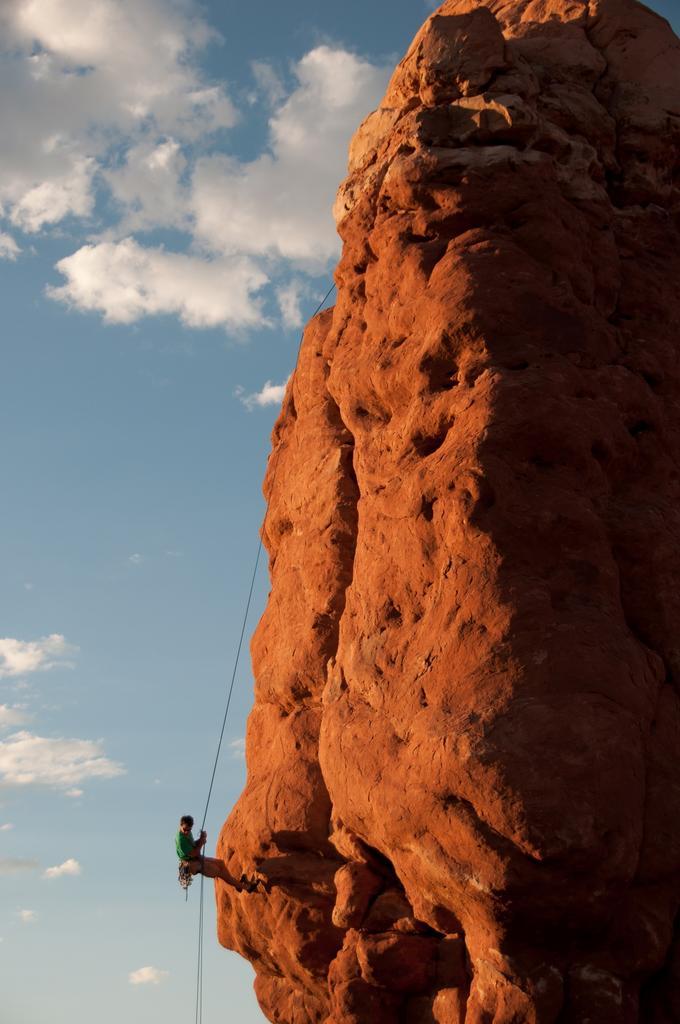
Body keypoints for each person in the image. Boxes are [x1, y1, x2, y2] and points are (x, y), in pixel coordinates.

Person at [175, 815, 260, 891]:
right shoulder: (181, 840)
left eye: (189, 830)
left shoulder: (187, 832)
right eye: (185, 829)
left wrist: (201, 838)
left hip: (197, 858)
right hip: (192, 864)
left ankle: (237, 884)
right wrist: (201, 841)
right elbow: (194, 853)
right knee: (219, 872)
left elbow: (193, 845)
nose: (187, 832)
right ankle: (248, 888)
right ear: (181, 825)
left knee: (221, 863)